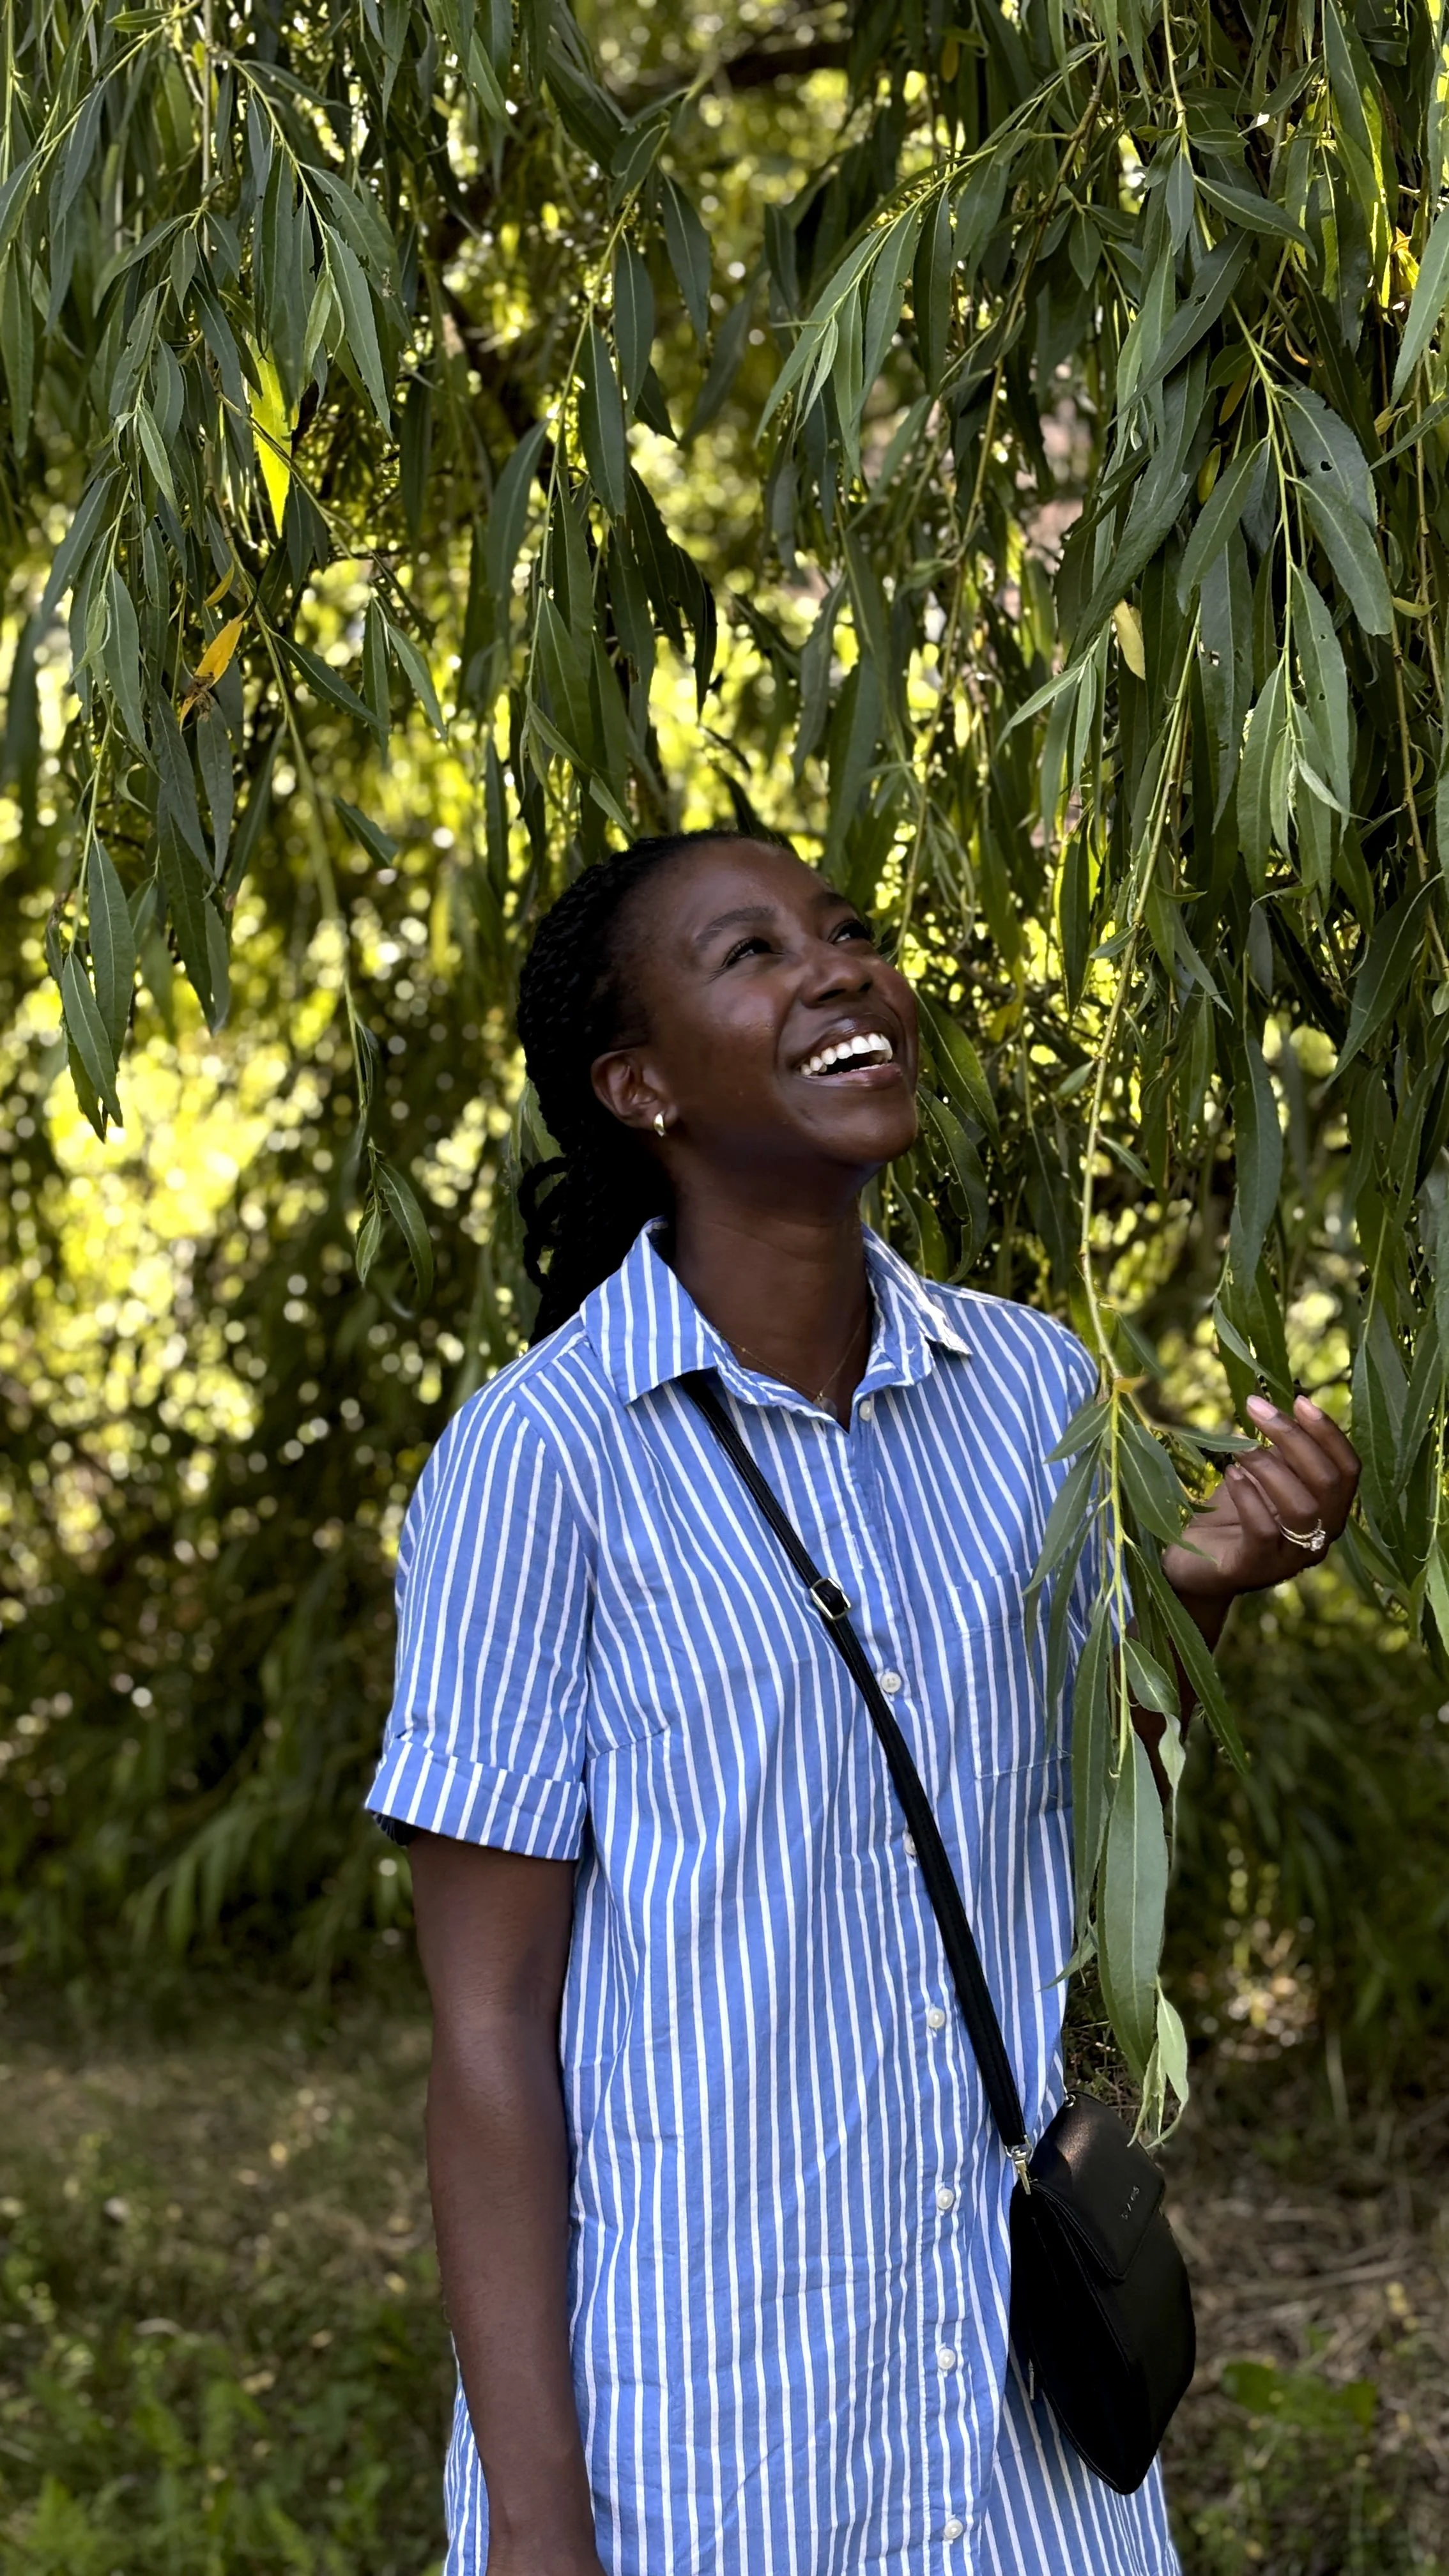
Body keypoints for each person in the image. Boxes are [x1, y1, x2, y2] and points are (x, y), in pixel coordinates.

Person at [365, 830, 1360, 2576]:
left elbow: (1067, 1818)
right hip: (714, 2420)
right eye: (748, 953)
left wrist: (1193, 1600)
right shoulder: (541, 1463)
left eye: (848, 930)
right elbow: (488, 2029)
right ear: (636, 1085)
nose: (838, 969)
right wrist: (536, 2521)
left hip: (1006, 2411)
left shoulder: (1032, 1390)